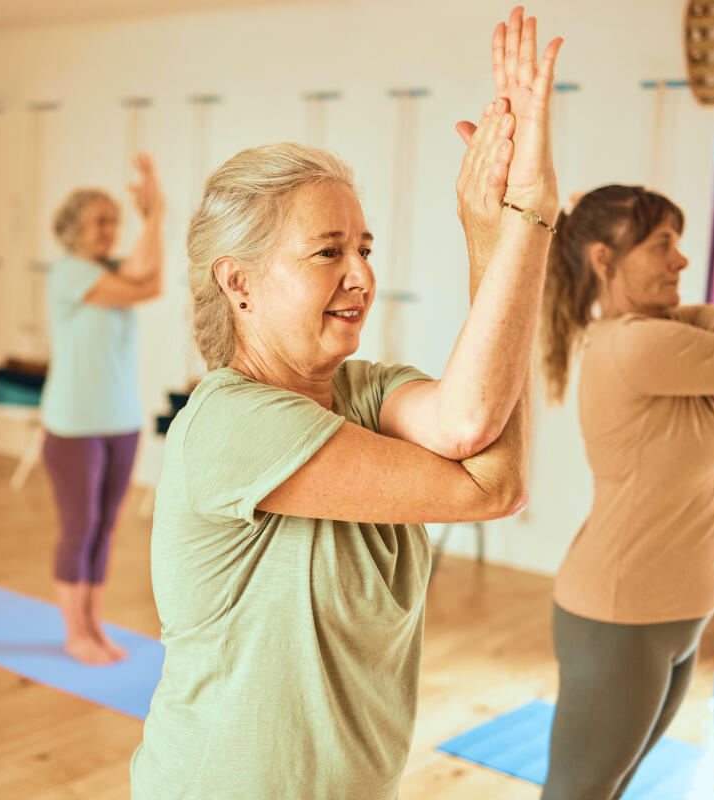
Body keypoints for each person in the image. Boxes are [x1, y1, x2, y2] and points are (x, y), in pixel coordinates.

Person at [131, 8, 562, 798]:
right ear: (240, 283)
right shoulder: (230, 423)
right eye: (327, 251)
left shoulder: (367, 392)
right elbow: (489, 472)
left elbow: (473, 416)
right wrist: (528, 222)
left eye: (363, 248)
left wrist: (489, 231)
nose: (360, 274)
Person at [538, 103, 714, 800]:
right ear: (606, 260)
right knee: (580, 791)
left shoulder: (672, 324)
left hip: (675, 610)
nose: (682, 258)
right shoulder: (638, 345)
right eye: (663, 243)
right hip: (618, 612)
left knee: (617, 783)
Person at [40, 153, 165, 665]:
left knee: (106, 526)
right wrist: (152, 219)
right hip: (74, 426)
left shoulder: (110, 271)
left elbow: (149, 281)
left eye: (115, 220)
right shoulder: (69, 273)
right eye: (100, 221)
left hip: (121, 421)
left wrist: (154, 215)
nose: (110, 230)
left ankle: (93, 625)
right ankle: (75, 633)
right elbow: (144, 284)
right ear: (74, 230)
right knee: (80, 526)